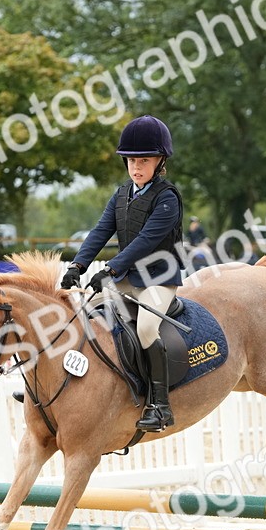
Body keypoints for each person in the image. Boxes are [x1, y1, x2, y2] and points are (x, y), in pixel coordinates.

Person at [60, 115, 184, 432]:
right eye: (131, 160)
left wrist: (110, 268)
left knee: (144, 329)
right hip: (126, 278)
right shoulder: (122, 194)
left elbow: (145, 242)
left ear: (160, 161)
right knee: (81, 316)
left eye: (144, 160)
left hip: (158, 279)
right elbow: (100, 232)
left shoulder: (167, 198)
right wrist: (77, 266)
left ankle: (160, 406)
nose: (136, 167)